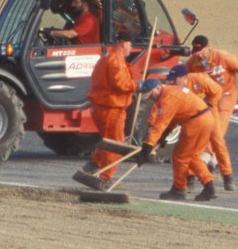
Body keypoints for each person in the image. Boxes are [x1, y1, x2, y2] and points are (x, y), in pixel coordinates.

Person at [185, 35, 238, 186]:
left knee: (218, 132)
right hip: (207, 99)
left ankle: (207, 158)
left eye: (201, 53)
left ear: (208, 48)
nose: (199, 57)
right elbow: (182, 76)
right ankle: (210, 161)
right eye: (196, 54)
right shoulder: (192, 62)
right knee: (204, 129)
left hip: (226, 97)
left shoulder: (224, 57)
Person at [136, 79, 218, 201]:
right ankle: (209, 186)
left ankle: (179, 190)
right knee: (193, 156)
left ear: (158, 88)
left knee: (180, 156)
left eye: (151, 94)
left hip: (196, 123)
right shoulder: (171, 92)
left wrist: (147, 147)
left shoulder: (167, 98)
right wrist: (164, 136)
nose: (151, 99)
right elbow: (173, 118)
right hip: (205, 120)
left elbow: (160, 124)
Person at [78, 31, 137, 189]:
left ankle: (93, 165)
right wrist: (137, 86)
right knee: (115, 144)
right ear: (124, 43)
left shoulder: (105, 57)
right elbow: (120, 84)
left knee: (107, 139)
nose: (131, 48)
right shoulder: (116, 60)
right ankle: (105, 178)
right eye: (131, 44)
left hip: (101, 106)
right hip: (112, 107)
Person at [164, 64, 235, 191]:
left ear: (184, 77)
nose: (172, 82)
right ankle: (190, 178)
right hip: (191, 120)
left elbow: (217, 90)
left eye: (175, 79)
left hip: (209, 114)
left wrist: (208, 103)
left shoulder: (199, 79)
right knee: (190, 150)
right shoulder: (174, 89)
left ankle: (227, 176)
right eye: (171, 79)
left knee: (218, 143)